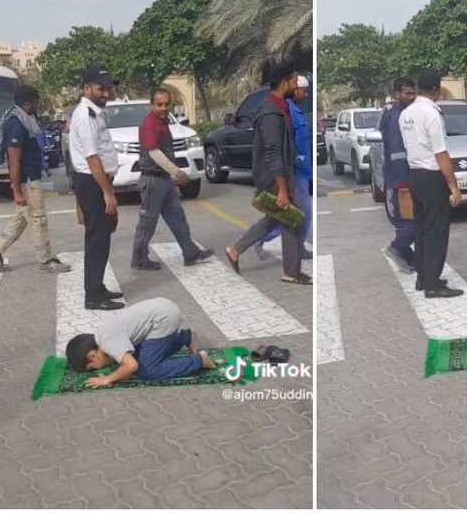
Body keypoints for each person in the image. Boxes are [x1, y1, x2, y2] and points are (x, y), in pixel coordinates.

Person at [224, 62, 310, 286]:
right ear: (284, 82)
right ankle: (291, 272)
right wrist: (282, 189)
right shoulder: (271, 112)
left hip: (283, 172)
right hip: (275, 176)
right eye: (293, 80)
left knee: (275, 219)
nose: (296, 84)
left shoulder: (280, 105)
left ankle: (235, 250)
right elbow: (272, 152)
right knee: (292, 219)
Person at [0, 85, 71, 274]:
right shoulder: (17, 123)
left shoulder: (25, 119)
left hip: (31, 177)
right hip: (27, 180)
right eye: (36, 102)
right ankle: (45, 260)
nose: (37, 106)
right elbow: (13, 159)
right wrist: (16, 190)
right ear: (28, 103)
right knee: (38, 219)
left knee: (21, 218)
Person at [130, 88, 214, 270]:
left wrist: (171, 174)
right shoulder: (149, 124)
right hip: (152, 180)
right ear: (152, 105)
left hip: (164, 179)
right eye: (159, 104)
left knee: (177, 217)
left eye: (166, 104)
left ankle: (190, 252)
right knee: (148, 223)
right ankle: (139, 259)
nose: (163, 107)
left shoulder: (163, 121)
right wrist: (177, 172)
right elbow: (154, 153)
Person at [399, 69, 462, 298]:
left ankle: (423, 278)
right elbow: (441, 153)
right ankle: (433, 285)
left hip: (415, 174)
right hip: (433, 176)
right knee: (436, 231)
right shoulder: (432, 114)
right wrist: (454, 187)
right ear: (436, 89)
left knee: (422, 229)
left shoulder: (406, 113)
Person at [70, 65, 125, 310]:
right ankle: (93, 296)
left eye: (109, 89)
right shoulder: (86, 116)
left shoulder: (95, 113)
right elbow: (91, 159)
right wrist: (107, 192)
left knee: (101, 237)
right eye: (101, 89)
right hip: (93, 184)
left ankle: (98, 286)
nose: (106, 93)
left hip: (93, 183)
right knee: (97, 240)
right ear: (86, 88)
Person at [64, 298, 215, 386]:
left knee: (147, 370)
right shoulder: (102, 335)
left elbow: (131, 366)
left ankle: (199, 361)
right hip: (163, 308)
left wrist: (107, 379)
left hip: (163, 319)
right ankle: (186, 337)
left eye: (92, 368)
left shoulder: (107, 343)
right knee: (139, 356)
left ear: (92, 355)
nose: (96, 369)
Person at [254, 75, 313, 261]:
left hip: (303, 169)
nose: (305, 94)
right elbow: (278, 147)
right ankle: (259, 239)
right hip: (295, 170)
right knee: (299, 215)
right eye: (302, 89)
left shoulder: (295, 110)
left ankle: (256, 240)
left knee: (289, 216)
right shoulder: (285, 111)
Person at [378, 77, 418, 272]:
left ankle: (409, 258)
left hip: (404, 177)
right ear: (396, 94)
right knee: (410, 222)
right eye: (407, 93)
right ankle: (396, 248)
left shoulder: (400, 112)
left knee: (409, 221)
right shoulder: (395, 117)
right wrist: (403, 182)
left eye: (413, 93)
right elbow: (397, 151)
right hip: (401, 179)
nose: (411, 97)